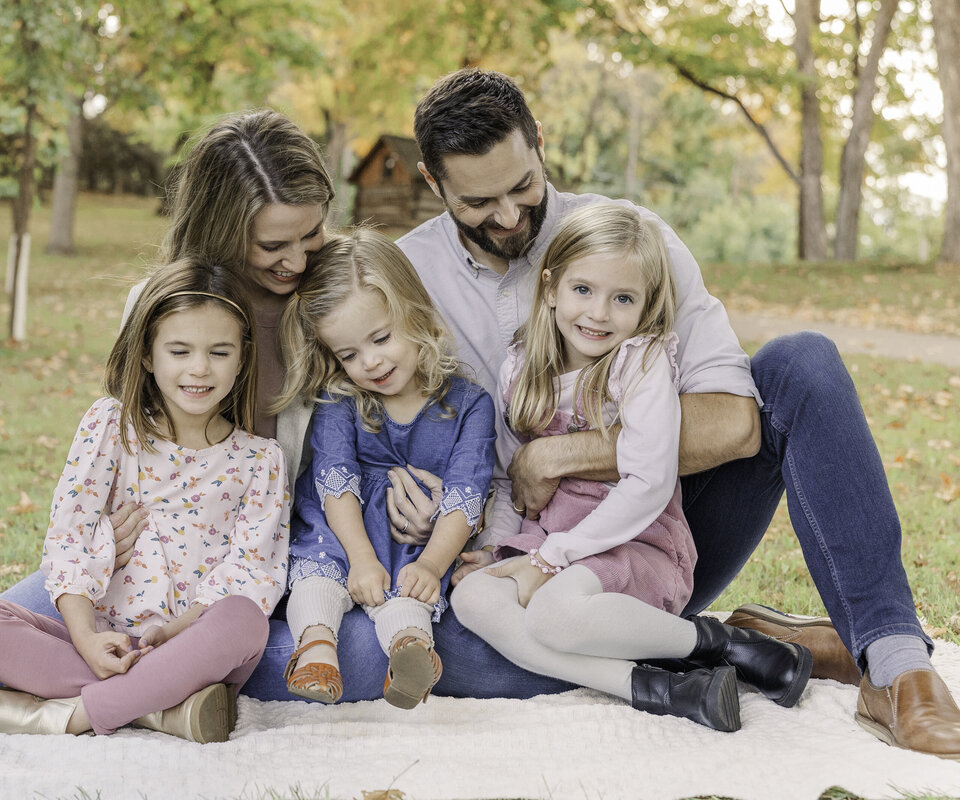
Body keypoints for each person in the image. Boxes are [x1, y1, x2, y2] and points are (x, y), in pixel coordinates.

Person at [390, 67, 959, 758]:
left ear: (539, 143)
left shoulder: (634, 243)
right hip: (515, 547)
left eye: (523, 187)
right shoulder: (405, 276)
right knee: (459, 655)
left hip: (652, 532)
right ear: (432, 181)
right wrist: (412, 492)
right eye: (480, 202)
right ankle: (730, 653)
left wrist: (559, 453)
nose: (509, 218)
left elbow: (736, 421)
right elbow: (381, 424)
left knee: (801, 365)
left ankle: (896, 664)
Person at [0, 108, 335, 682]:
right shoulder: (159, 306)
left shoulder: (337, 307)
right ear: (221, 229)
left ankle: (147, 683)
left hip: (263, 565)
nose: (297, 260)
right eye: (273, 244)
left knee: (346, 662)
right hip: (139, 563)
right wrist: (104, 545)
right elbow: (119, 458)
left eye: (312, 234)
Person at [450, 202, 810, 732]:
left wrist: (553, 558)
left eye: (622, 299)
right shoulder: (521, 367)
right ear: (550, 288)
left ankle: (720, 642)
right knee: (472, 597)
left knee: (555, 615)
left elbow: (649, 482)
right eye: (583, 290)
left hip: (633, 542)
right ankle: (665, 689)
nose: (598, 313)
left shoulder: (638, 364)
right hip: (549, 543)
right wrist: (497, 548)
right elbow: (510, 479)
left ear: (645, 307)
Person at [0, 259, 288, 742]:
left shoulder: (259, 460)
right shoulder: (111, 428)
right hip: (104, 648)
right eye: (179, 350)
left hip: (194, 652)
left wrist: (177, 631)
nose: (199, 368)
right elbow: (69, 541)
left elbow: (253, 572)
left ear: (242, 357)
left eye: (218, 352)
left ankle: (70, 716)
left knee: (243, 619)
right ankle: (156, 710)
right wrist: (88, 639)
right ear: (146, 354)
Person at [273, 229, 495, 708]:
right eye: (348, 354)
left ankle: (410, 654)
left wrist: (435, 563)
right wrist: (359, 558)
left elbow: (466, 492)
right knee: (318, 576)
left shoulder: (469, 403)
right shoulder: (340, 398)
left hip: (417, 545)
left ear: (414, 314)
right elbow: (335, 480)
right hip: (342, 531)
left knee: (411, 592)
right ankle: (316, 648)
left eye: (381, 338)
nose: (370, 362)